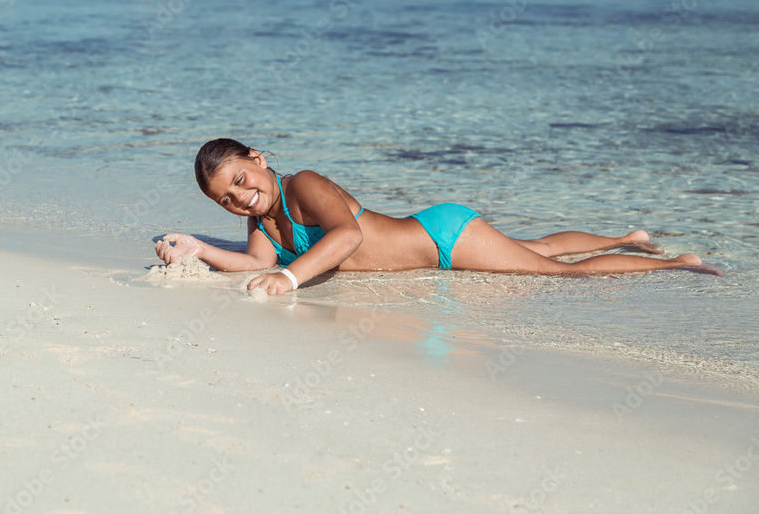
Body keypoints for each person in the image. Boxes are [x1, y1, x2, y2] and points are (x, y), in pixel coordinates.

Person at [155, 139, 723, 296]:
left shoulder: (302, 186)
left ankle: (674, 263)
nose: (239, 197)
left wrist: (289, 277)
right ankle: (631, 237)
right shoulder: (263, 223)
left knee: (558, 275)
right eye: (224, 200)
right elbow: (252, 262)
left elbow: (348, 235)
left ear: (258, 159)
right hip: (439, 250)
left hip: (441, 235)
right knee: (537, 247)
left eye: (239, 179)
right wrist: (198, 249)